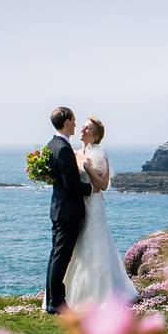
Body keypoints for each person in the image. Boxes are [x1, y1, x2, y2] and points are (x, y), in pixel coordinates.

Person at [60, 115, 139, 309]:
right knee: (78, 246)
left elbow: (103, 185)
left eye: (87, 128)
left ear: (95, 134)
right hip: (78, 205)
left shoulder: (99, 153)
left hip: (93, 205)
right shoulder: (77, 152)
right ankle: (72, 292)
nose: (82, 131)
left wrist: (88, 168)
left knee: (95, 245)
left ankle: (99, 293)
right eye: (83, 128)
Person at [43, 107, 93, 314]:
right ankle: (57, 303)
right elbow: (71, 184)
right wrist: (90, 188)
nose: (75, 124)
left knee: (55, 255)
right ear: (66, 121)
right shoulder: (63, 148)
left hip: (58, 208)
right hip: (68, 211)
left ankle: (52, 301)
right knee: (61, 257)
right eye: (73, 120)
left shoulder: (50, 145)